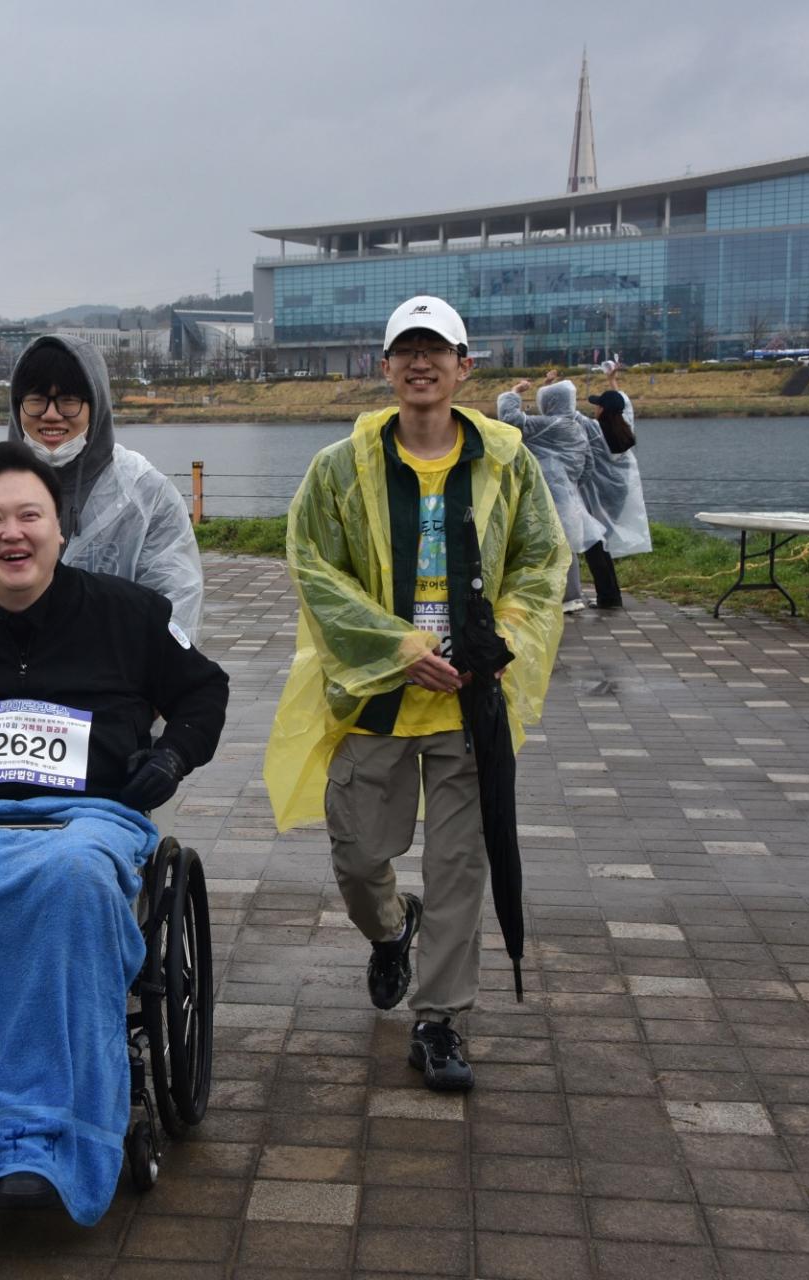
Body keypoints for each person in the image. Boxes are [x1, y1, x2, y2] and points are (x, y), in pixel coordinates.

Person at [0, 441, 228, 1224]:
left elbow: (204, 691)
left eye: (29, 515)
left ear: (61, 529)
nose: (12, 533)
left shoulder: (130, 614)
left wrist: (171, 756)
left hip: (87, 818)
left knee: (72, 878)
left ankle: (57, 1135)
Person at [265, 295, 568, 1093]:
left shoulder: (506, 462)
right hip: (378, 697)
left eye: (437, 350)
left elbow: (541, 561)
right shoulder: (341, 467)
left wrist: (501, 639)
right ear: (386, 366)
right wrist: (399, 649)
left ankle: (439, 1021)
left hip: (470, 702)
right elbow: (314, 567)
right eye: (407, 350)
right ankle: (392, 929)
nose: (421, 363)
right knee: (360, 854)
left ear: (465, 367)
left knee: (460, 864)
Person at [0, 334, 204, 639]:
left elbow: (176, 602)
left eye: (68, 401)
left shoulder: (144, 492)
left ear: (96, 405)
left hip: (113, 665)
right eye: (36, 400)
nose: (51, 415)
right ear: (16, 406)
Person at [496, 370, 601, 613]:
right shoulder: (576, 428)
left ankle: (545, 597)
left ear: (550, 402)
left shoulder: (549, 425)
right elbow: (589, 465)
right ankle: (571, 597)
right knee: (567, 549)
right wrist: (570, 483)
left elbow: (510, 419)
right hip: (570, 499)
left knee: (542, 548)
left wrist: (514, 392)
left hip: (547, 497)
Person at [574, 367, 652, 608]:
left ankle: (608, 597)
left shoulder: (595, 430)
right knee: (601, 542)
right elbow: (624, 405)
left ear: (603, 410)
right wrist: (612, 380)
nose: (594, 408)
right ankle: (611, 595)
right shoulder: (624, 427)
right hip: (619, 494)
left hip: (600, 495)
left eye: (597, 405)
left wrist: (549, 387)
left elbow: (568, 413)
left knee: (594, 544)